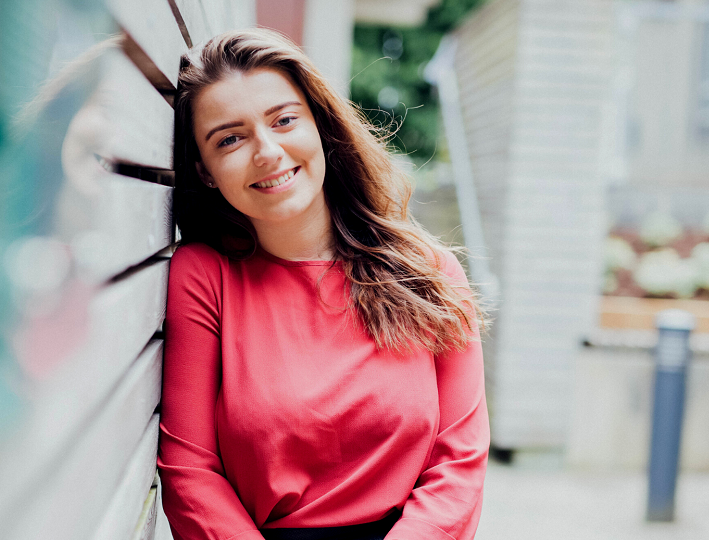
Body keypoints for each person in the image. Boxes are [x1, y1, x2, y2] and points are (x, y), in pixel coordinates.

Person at [157, 28, 490, 540]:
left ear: (320, 126)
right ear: (205, 172)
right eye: (230, 138)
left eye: (284, 120)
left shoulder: (430, 273)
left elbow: (460, 465)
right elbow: (188, 468)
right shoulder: (204, 276)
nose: (267, 151)